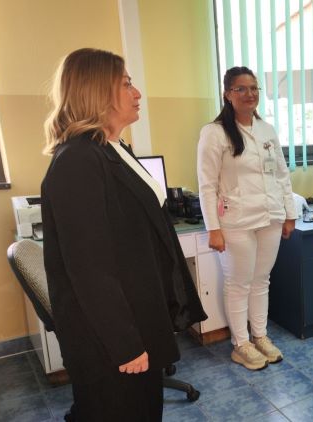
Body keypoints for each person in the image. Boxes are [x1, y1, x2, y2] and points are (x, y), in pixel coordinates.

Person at [41, 48, 207, 421]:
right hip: (110, 340)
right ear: (97, 91)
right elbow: (90, 269)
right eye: (127, 84)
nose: (137, 93)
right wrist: (125, 344)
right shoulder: (78, 161)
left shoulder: (112, 148)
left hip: (138, 316)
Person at [197, 66, 297, 370]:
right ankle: (241, 344)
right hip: (236, 221)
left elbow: (281, 174)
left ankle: (260, 336)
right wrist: (213, 229)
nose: (249, 94)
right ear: (227, 94)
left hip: (270, 216)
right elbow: (206, 184)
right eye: (240, 89)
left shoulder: (266, 129)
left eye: (253, 88)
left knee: (261, 280)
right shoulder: (214, 132)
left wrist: (289, 213)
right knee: (239, 283)